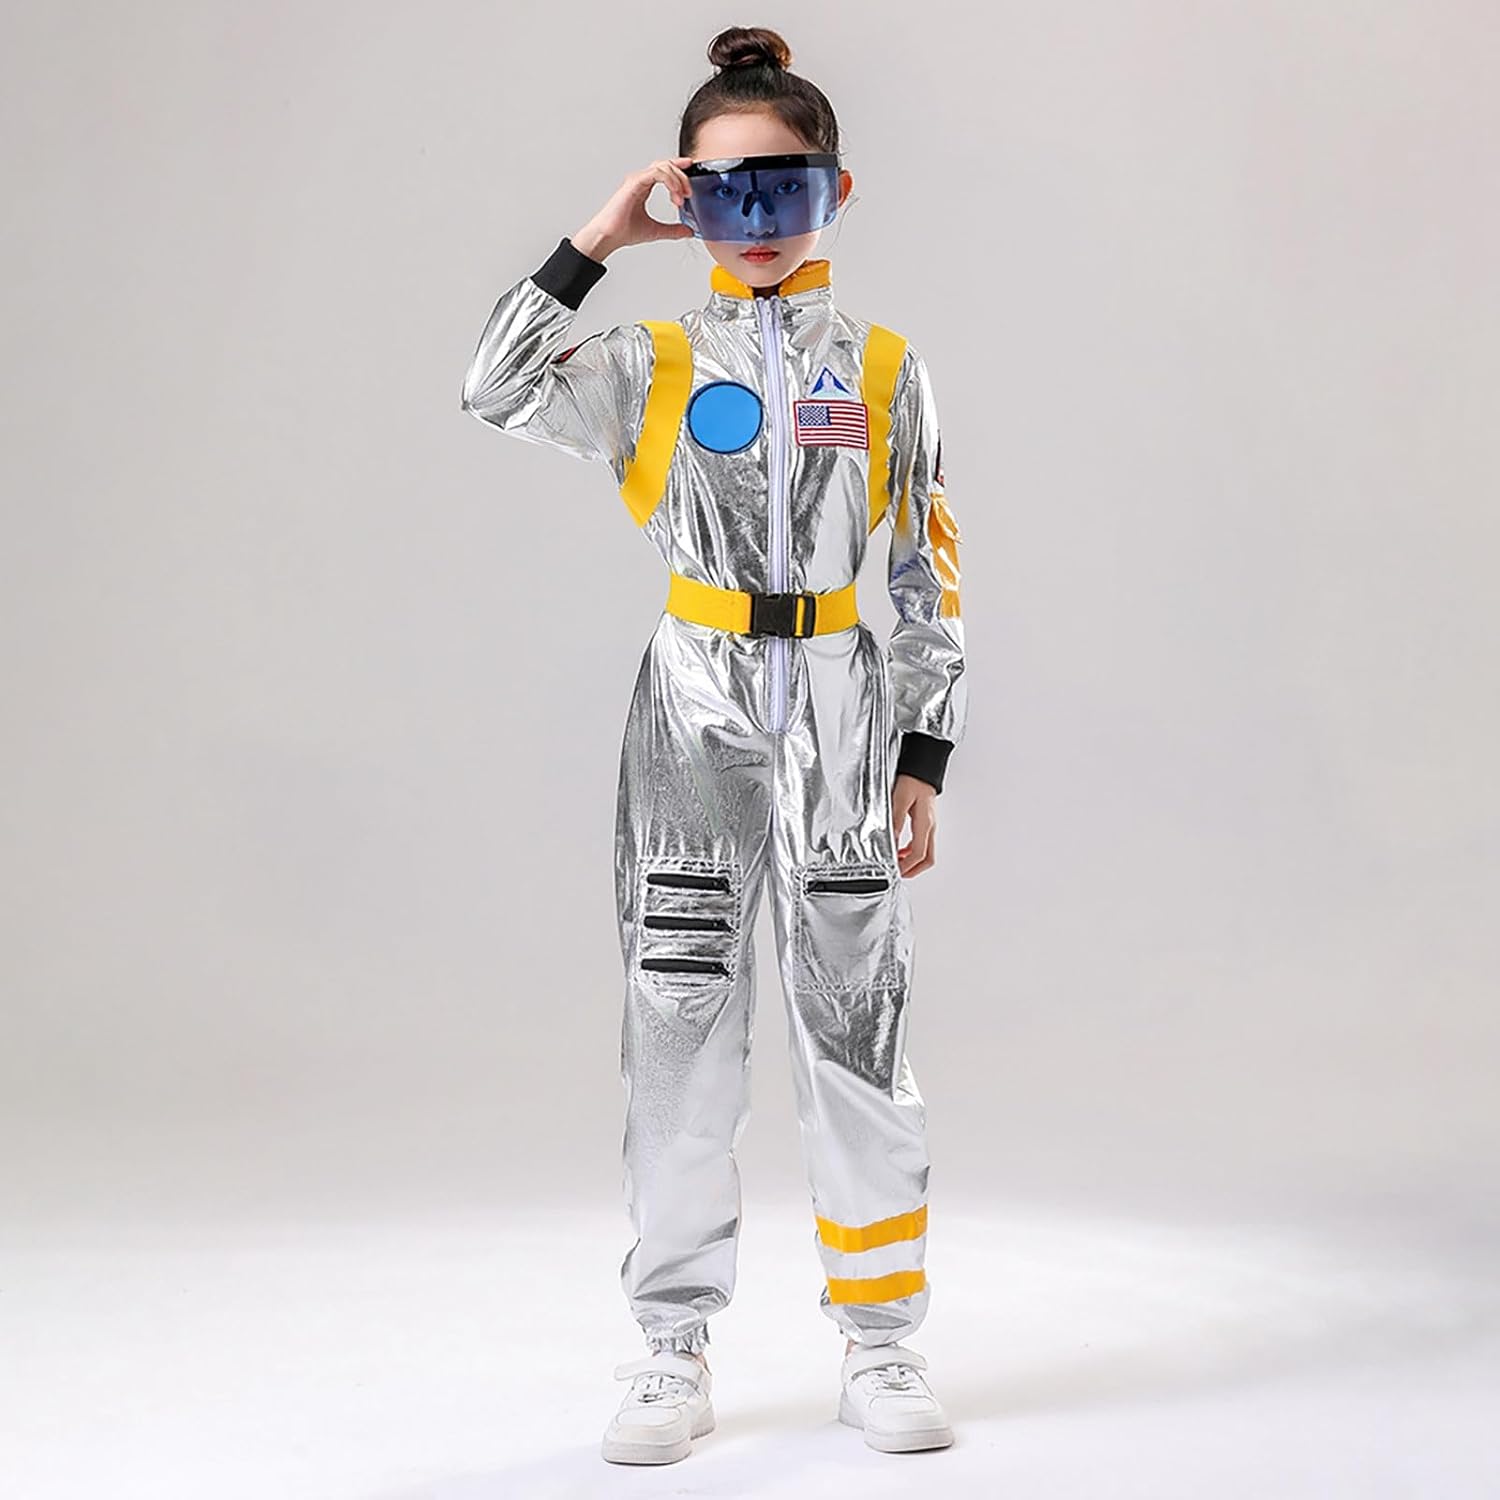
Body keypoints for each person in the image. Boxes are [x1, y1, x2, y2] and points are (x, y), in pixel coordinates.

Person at [460, 24, 967, 1464]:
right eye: (721, 190)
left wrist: (922, 752)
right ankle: (670, 1350)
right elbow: (494, 387)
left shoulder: (886, 369)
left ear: (836, 193)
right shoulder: (651, 364)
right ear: (685, 195)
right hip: (693, 705)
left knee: (858, 1028)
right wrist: (599, 238)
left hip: (842, 698)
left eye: (784, 188)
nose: (755, 220)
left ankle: (883, 1343)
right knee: (679, 1022)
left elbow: (927, 570)